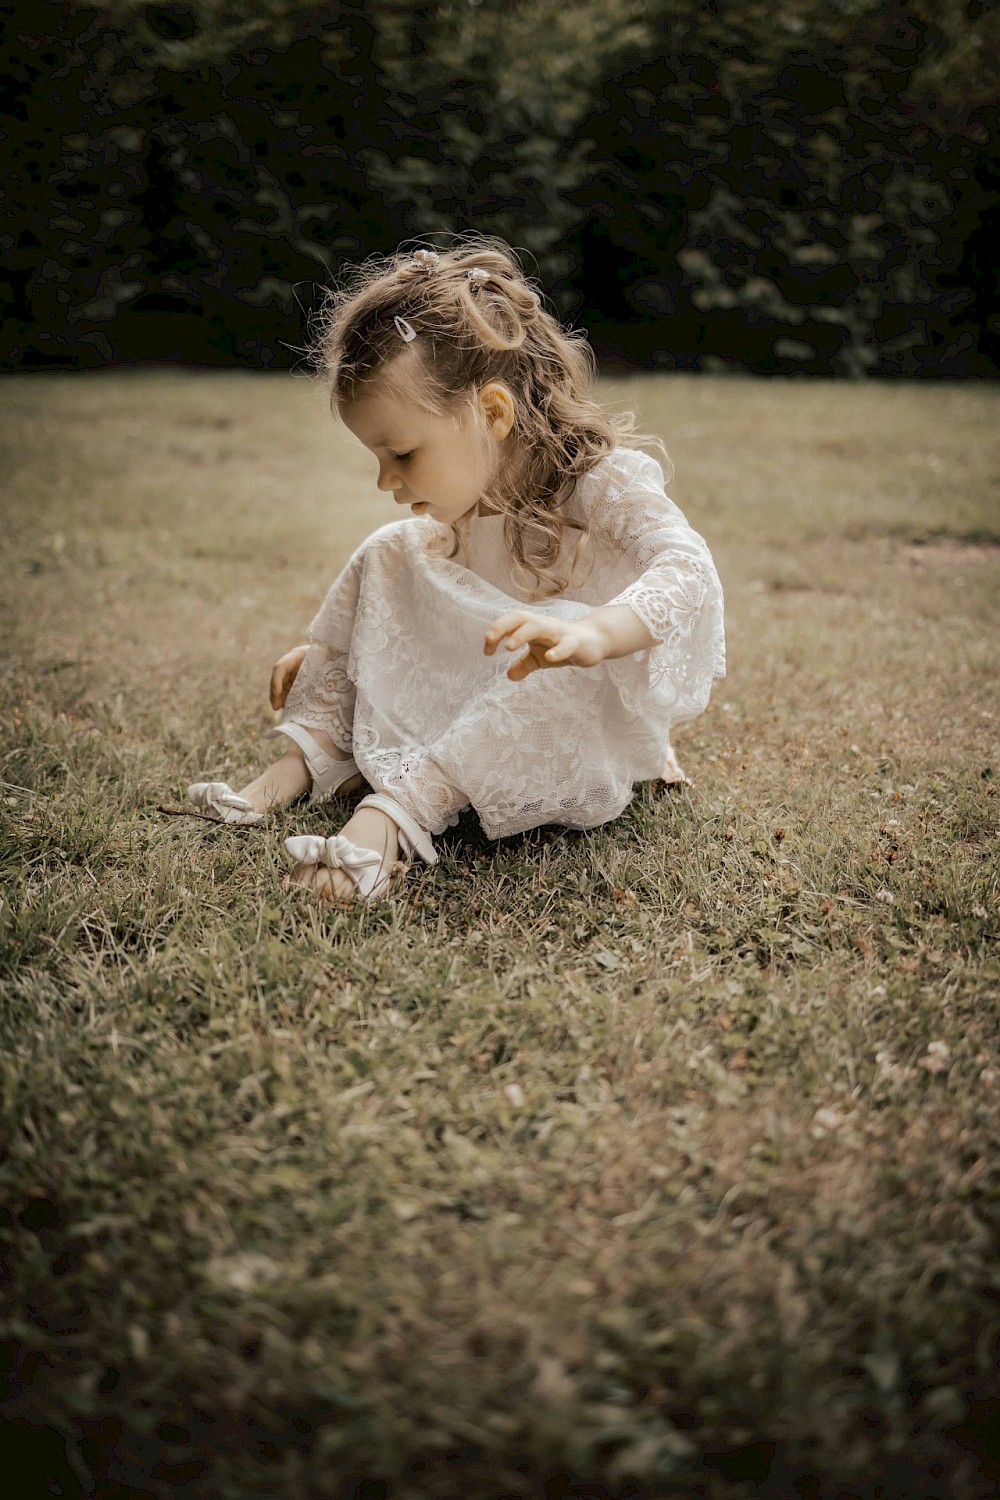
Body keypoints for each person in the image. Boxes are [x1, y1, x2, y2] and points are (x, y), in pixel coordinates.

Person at [186, 240, 725, 902]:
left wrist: (600, 634)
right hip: (480, 673)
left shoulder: (600, 484)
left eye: (403, 453)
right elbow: (441, 614)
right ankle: (305, 758)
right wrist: (355, 649)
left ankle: (391, 815)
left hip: (568, 702)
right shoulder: (466, 501)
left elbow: (687, 564)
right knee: (391, 547)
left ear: (492, 414)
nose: (385, 478)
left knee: (557, 654)